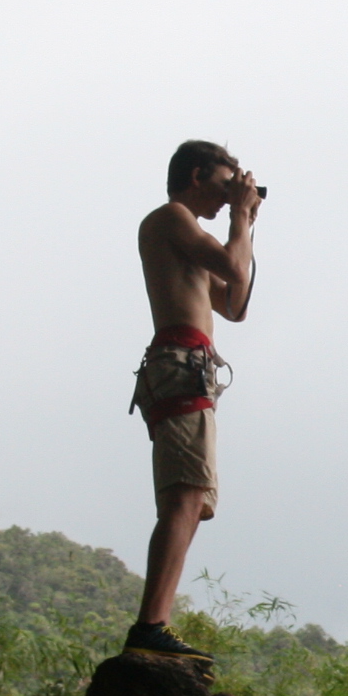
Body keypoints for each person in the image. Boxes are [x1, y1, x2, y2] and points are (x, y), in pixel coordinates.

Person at [124, 139, 262, 662]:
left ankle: (155, 621)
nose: (231, 199)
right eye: (227, 186)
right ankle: (151, 624)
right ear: (198, 174)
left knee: (192, 498)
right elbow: (233, 266)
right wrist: (241, 221)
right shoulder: (170, 218)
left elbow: (236, 303)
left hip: (193, 369)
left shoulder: (192, 236)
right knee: (183, 496)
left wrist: (245, 226)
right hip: (180, 363)